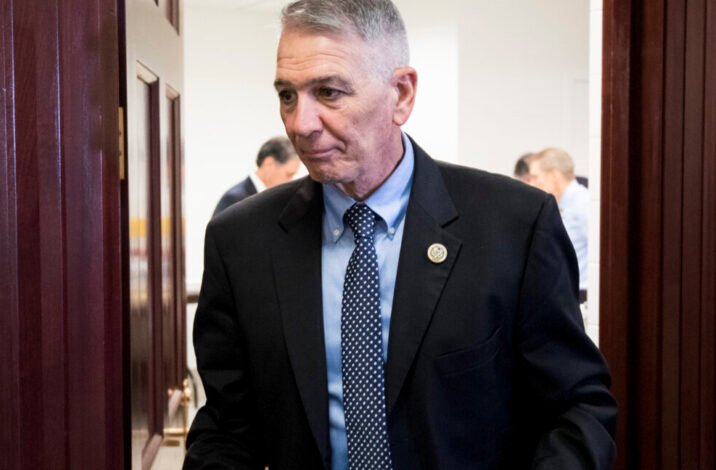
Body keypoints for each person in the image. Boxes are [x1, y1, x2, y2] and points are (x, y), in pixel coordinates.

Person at [185, 1, 616, 469]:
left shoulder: (514, 226)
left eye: (328, 92)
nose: (299, 124)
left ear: (402, 94)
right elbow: (226, 431)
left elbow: (577, 409)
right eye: (287, 95)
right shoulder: (241, 243)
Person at [526, 148, 590, 302]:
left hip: (580, 296)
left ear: (553, 175)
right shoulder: (562, 205)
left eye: (535, 177)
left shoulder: (583, 204)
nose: (531, 184)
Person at [212, 136, 300, 216]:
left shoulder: (277, 199)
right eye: (289, 174)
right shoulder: (234, 198)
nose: (291, 181)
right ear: (269, 164)